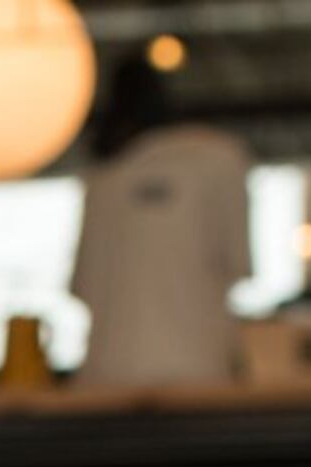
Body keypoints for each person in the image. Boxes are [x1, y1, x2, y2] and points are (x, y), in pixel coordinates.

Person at [70, 50, 253, 392]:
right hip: (198, 374)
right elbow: (237, 264)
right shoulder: (220, 160)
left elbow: (83, 286)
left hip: (108, 377)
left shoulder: (102, 177)